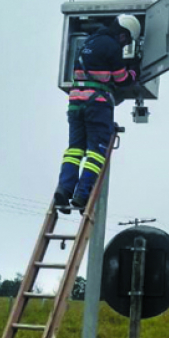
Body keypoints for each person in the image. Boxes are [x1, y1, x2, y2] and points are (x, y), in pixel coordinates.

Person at [54, 14, 141, 213]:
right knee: (96, 152)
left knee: (75, 150)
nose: (124, 43)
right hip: (97, 105)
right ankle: (81, 195)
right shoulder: (112, 47)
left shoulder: (89, 41)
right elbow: (122, 80)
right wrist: (134, 72)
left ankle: (64, 189)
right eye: (126, 39)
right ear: (123, 33)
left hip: (75, 101)